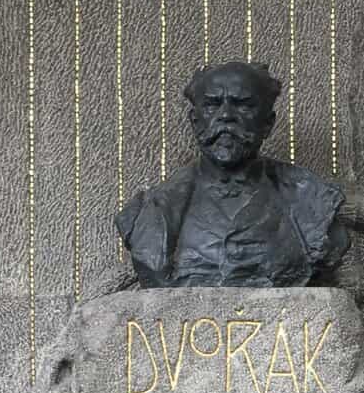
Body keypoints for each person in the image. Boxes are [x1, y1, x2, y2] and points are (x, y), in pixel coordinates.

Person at [115, 60, 349, 287]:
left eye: (243, 105)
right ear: (195, 122)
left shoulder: (312, 201)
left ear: (267, 123)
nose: (226, 115)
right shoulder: (151, 210)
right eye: (212, 105)